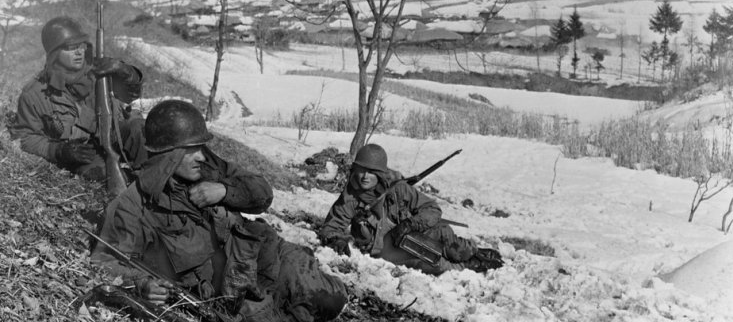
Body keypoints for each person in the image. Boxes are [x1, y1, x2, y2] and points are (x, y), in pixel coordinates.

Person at [91, 99, 347, 322]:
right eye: (191, 150)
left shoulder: (209, 168)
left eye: (201, 147)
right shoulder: (134, 206)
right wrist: (140, 283)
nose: (202, 156)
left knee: (332, 299)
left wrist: (225, 191)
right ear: (168, 154)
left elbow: (263, 193)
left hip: (268, 256)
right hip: (235, 290)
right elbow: (104, 261)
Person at [319, 143, 503, 275]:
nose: (365, 176)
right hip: (389, 249)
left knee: (446, 237)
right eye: (362, 170)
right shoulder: (350, 198)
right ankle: (470, 266)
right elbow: (331, 227)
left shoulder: (398, 189)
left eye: (372, 172)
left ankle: (474, 252)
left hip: (412, 233)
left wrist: (409, 224)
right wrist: (337, 240)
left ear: (381, 174)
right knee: (434, 263)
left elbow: (432, 210)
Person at [10, 16, 146, 188]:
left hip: (115, 133)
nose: (79, 52)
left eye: (81, 45)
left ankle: (153, 182)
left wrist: (125, 71)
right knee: (101, 175)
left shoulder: (101, 70)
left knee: (139, 128)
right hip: (84, 152)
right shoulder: (34, 93)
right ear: (54, 53)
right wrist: (58, 150)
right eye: (71, 47)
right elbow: (25, 137)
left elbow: (132, 94)